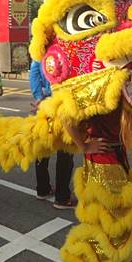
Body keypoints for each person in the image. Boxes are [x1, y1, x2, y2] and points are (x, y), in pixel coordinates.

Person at [30, 60, 76, 209]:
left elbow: (34, 74)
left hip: (44, 104)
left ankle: (42, 189)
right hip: (62, 105)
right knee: (65, 151)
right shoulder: (63, 47)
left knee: (43, 146)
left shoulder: (40, 49)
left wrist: (38, 98)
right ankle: (62, 197)